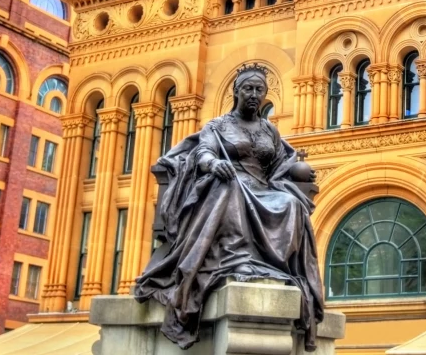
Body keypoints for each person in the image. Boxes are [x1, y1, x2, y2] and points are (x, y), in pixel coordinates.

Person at [134, 65, 323, 349]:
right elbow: (203, 151)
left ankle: (271, 266)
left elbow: (280, 164)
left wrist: (298, 172)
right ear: (236, 92)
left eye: (260, 90)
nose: (254, 95)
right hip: (228, 180)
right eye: (248, 89)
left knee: (292, 203)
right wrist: (214, 163)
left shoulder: (269, 129)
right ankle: (237, 259)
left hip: (264, 188)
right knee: (231, 188)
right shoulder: (218, 125)